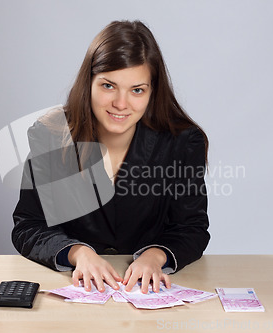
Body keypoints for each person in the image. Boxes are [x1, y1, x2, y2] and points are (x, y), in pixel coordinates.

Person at [12, 20, 210, 294]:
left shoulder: (182, 141)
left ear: (152, 92)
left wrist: (155, 256)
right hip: (76, 290)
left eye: (137, 90)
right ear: (89, 83)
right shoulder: (51, 134)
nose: (120, 103)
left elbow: (192, 228)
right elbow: (28, 226)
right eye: (108, 86)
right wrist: (78, 253)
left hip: (147, 292)